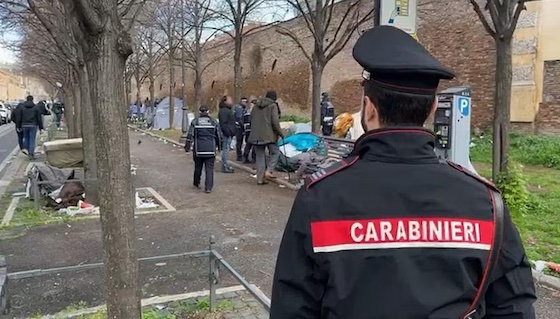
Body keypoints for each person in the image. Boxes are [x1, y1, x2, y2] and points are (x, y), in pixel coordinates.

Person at [270, 26, 536, 319]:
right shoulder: (487, 203)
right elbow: (514, 307)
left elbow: (292, 309)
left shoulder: (319, 197)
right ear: (433, 107)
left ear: (368, 108)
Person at [248, 90, 284, 185]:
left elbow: (250, 119)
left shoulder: (256, 106)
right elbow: (275, 122)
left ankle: (260, 179)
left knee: (260, 156)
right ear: (274, 98)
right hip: (269, 135)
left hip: (256, 135)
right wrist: (281, 133)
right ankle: (269, 171)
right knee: (275, 153)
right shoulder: (273, 106)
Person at [184, 105, 222, 194]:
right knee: (209, 168)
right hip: (210, 149)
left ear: (200, 112)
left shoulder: (195, 121)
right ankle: (208, 187)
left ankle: (196, 182)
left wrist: (187, 147)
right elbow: (219, 136)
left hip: (198, 149)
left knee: (198, 167)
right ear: (208, 112)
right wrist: (220, 147)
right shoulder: (214, 122)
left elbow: (190, 135)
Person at [15, 95, 43, 160]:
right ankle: (31, 153)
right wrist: (41, 127)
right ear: (32, 99)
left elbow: (19, 117)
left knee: (26, 138)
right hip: (33, 125)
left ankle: (25, 148)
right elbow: (39, 118)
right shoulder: (36, 107)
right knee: (32, 139)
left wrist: (18, 126)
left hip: (24, 125)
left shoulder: (22, 108)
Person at [218, 95, 236, 173]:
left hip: (228, 132)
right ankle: (224, 166)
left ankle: (225, 165)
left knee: (226, 149)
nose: (231, 101)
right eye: (230, 99)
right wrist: (228, 132)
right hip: (227, 133)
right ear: (225, 101)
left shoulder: (225, 110)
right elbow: (223, 123)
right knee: (226, 150)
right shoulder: (225, 111)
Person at [233, 97, 248, 161]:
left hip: (239, 126)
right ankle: (239, 156)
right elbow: (240, 119)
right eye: (244, 102)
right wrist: (243, 127)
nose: (245, 103)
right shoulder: (239, 108)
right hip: (239, 127)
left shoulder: (241, 108)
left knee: (240, 142)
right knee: (239, 141)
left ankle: (240, 155)